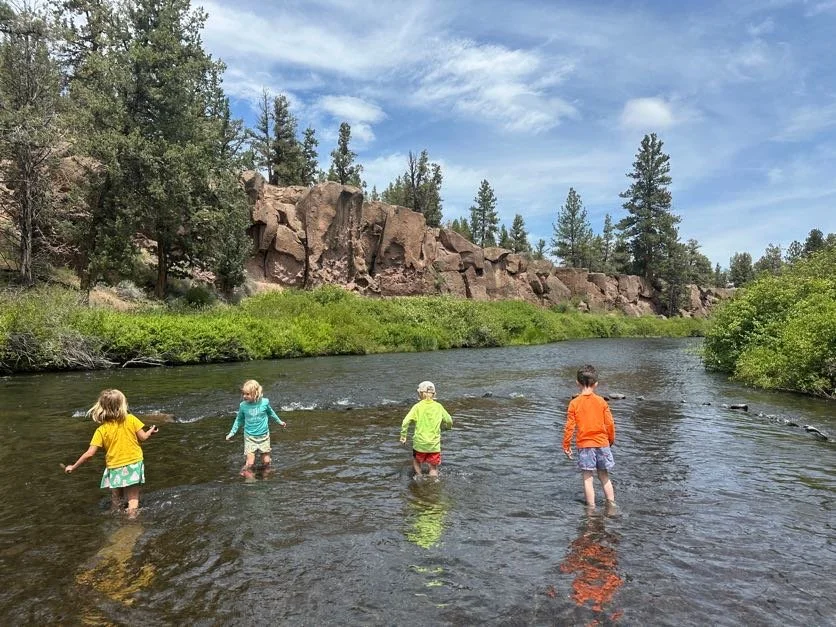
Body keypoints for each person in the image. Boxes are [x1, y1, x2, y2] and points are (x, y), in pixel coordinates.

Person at [64, 389, 158, 515]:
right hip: (133, 463)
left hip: (114, 467)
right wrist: (150, 431)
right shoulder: (131, 419)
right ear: (122, 405)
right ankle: (132, 523)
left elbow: (89, 454)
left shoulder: (101, 430)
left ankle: (115, 519)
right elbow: (143, 438)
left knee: (116, 499)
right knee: (133, 499)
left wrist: (74, 466)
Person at [563, 365, 616, 509]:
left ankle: (591, 510)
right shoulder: (601, 401)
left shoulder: (574, 403)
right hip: (602, 443)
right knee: (604, 476)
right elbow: (610, 424)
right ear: (596, 384)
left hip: (585, 445)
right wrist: (610, 440)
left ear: (577, 383)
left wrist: (566, 446)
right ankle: (611, 506)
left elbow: (570, 427)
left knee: (587, 478)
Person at [226, 379, 286, 478]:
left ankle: (265, 475)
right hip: (250, 436)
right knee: (251, 462)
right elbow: (239, 420)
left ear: (256, 393)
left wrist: (280, 422)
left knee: (266, 461)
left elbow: (271, 413)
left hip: (264, 436)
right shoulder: (243, 406)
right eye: (243, 393)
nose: (244, 396)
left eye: (247, 394)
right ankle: (246, 473)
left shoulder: (265, 402)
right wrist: (232, 433)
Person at [400, 381, 453, 480]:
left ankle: (419, 476)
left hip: (420, 443)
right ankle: (433, 483)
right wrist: (447, 428)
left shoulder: (417, 407)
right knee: (433, 467)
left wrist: (403, 436)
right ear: (434, 394)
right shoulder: (439, 407)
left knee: (416, 460)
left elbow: (405, 422)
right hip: (434, 444)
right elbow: (449, 420)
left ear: (420, 394)